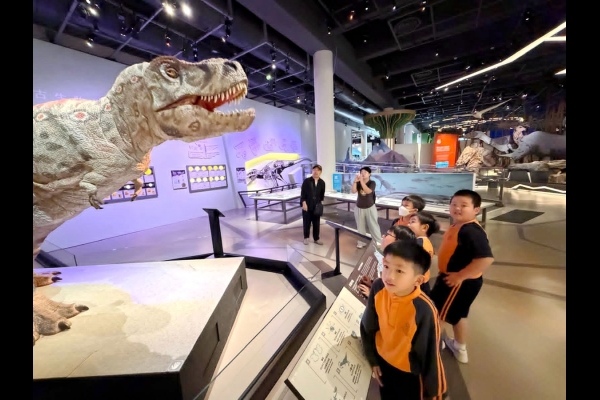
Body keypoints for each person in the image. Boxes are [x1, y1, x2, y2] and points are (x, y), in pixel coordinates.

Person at [360, 241, 447, 400]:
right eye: (386, 266)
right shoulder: (378, 287)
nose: (389, 276)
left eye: (399, 270)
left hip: (409, 374)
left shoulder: (425, 310)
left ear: (418, 280)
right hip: (383, 363)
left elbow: (431, 356)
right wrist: (373, 359)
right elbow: (368, 326)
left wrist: (435, 393)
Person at [429, 189, 494, 364]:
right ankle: (459, 347)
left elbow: (486, 259)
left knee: (438, 315)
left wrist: (460, 276)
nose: (457, 208)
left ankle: (428, 350)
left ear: (476, 210)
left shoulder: (471, 231)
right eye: (454, 204)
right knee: (459, 315)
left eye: (463, 205)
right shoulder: (459, 226)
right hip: (455, 280)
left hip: (457, 283)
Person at [358, 225, 416, 298]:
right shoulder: (395, 261)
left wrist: (371, 296)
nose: (383, 236)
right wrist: (372, 284)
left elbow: (393, 300)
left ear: (398, 242)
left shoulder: (401, 271)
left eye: (387, 234)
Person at [408, 212, 441, 297]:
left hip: (418, 282)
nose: (408, 225)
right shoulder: (425, 242)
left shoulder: (420, 243)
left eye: (412, 222)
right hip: (421, 280)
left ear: (424, 227)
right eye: (409, 222)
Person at [351, 167, 382, 248]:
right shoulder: (358, 182)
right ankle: (361, 242)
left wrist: (361, 181)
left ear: (369, 174)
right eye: (361, 172)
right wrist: (355, 181)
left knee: (373, 226)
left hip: (370, 207)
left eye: (365, 172)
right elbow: (353, 191)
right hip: (359, 207)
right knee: (360, 226)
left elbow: (368, 191)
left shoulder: (372, 183)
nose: (363, 174)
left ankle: (378, 243)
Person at [300, 164, 325, 245]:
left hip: (316, 206)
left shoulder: (322, 182)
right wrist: (303, 203)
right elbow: (303, 194)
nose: (316, 172)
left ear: (320, 172)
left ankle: (316, 238)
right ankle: (306, 237)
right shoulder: (307, 181)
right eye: (314, 170)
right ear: (312, 171)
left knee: (316, 223)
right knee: (306, 222)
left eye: (318, 170)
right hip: (307, 205)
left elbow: (322, 195)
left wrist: (320, 205)